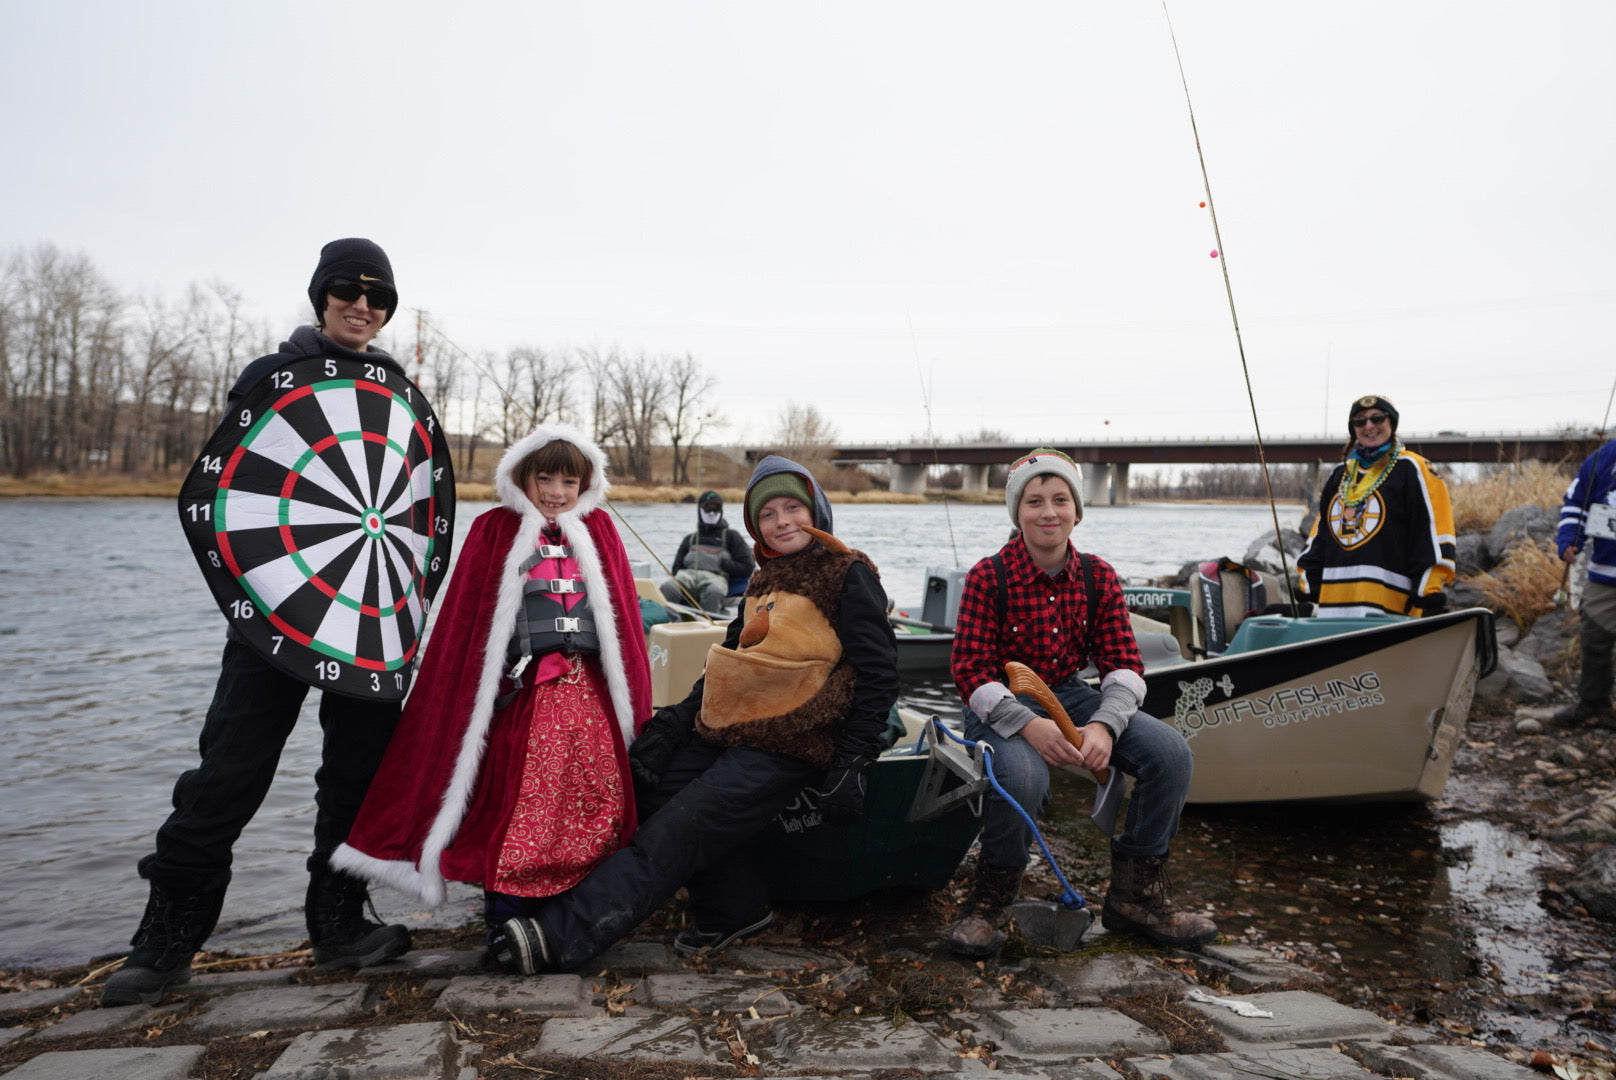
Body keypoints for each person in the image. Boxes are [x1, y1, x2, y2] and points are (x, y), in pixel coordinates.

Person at [103, 239, 436, 1006]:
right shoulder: (270, 376)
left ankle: (339, 925)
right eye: (348, 293)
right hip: (277, 611)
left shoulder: (396, 388)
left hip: (368, 614)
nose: (363, 308)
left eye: (378, 298)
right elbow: (244, 493)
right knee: (229, 771)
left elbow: (409, 507)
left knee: (357, 777)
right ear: (321, 297)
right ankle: (166, 940)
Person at [495, 455, 899, 973]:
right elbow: (725, 665)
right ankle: (734, 908)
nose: (782, 521)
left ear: (816, 510)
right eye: (768, 513)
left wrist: (852, 762)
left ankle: (561, 934)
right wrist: (672, 725)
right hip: (732, 728)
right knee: (655, 790)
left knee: (683, 826)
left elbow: (881, 672)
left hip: (793, 738)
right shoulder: (764, 580)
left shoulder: (847, 574)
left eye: (792, 508)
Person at [333, 423, 653, 950]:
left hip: (589, 697)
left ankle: (573, 910)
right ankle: (507, 913)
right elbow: (467, 629)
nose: (555, 492)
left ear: (585, 485)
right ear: (520, 479)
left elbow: (624, 631)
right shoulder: (492, 531)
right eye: (544, 478)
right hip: (521, 696)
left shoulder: (601, 533)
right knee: (520, 795)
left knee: (595, 796)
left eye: (568, 482)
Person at [947, 447, 1218, 955]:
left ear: (1076, 509)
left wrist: (1105, 726)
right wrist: (1026, 726)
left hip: (1071, 694)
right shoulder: (989, 576)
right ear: (1017, 512)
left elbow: (1124, 667)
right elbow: (968, 670)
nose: (1048, 512)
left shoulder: (1098, 576)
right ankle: (991, 899)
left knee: (1171, 755)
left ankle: (1136, 896)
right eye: (1033, 501)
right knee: (1025, 776)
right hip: (998, 702)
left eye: (1059, 499)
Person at [1297, 395, 1456, 617]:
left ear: (1391, 422)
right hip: (1333, 610)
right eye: (1360, 421)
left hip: (1390, 611)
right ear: (1354, 430)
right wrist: (1308, 589)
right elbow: (1318, 540)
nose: (1369, 426)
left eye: (1377, 418)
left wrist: (1426, 593)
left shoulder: (1414, 468)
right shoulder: (1339, 475)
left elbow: (1435, 536)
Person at [1552, 439, 1616, 727]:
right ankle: (1594, 703)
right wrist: (1569, 539)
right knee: (1594, 638)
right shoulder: (1604, 457)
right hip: (1605, 571)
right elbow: (1577, 502)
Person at [658, 489, 754, 613]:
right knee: (668, 587)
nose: (712, 513)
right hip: (687, 577)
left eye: (716, 508)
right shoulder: (690, 539)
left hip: (715, 580)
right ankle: (669, 622)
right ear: (699, 510)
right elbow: (676, 569)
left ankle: (709, 626)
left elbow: (748, 566)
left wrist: (724, 564)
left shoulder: (731, 536)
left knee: (713, 592)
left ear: (721, 511)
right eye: (707, 508)